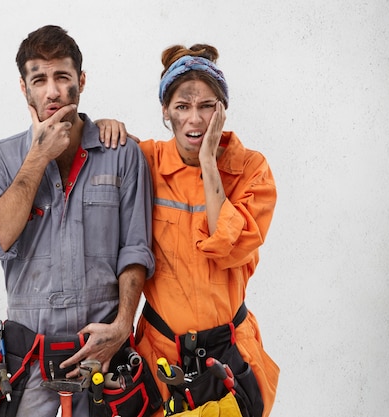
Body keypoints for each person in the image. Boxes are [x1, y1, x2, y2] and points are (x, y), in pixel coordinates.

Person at [0, 25, 155, 417]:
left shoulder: (121, 154)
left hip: (103, 357)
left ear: (81, 81)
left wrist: (122, 327)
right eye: (39, 79)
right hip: (29, 362)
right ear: (24, 88)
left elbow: (135, 248)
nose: (51, 91)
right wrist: (37, 158)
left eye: (62, 77)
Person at [105, 44, 279, 417]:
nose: (194, 119)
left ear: (223, 110)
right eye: (182, 106)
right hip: (160, 357)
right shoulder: (145, 161)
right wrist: (104, 127)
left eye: (207, 106)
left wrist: (208, 164)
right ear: (166, 112)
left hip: (229, 356)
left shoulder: (252, 170)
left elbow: (229, 247)